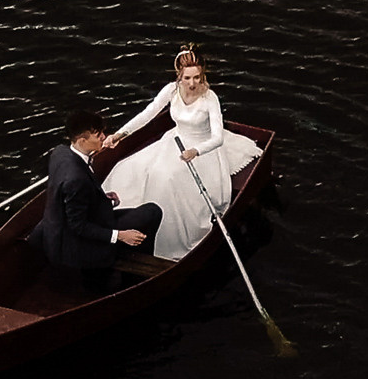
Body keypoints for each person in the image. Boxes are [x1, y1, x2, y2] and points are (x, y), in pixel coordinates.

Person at [101, 46, 263, 260]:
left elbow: (218, 138)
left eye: (197, 77)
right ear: (179, 76)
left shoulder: (210, 98)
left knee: (166, 179)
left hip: (202, 148)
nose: (192, 83)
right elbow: (147, 114)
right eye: (187, 78)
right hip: (175, 141)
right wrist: (119, 135)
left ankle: (165, 240)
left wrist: (196, 151)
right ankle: (121, 222)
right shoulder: (171, 90)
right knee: (128, 167)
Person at [33, 109, 164, 293]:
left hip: (72, 224)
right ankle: (134, 279)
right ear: (82, 140)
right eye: (98, 134)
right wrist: (120, 235)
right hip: (77, 243)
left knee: (148, 212)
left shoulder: (60, 153)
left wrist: (102, 197)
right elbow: (78, 226)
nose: (104, 136)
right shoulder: (76, 179)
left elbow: (73, 196)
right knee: (152, 212)